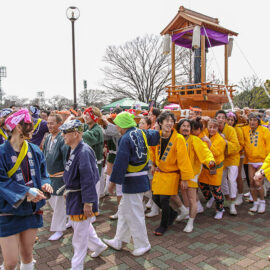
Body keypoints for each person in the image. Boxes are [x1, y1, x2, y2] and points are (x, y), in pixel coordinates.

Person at [0, 109, 53, 270]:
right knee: (10, 263)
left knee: (28, 256)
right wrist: (25, 191)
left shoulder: (35, 150)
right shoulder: (1, 152)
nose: (34, 129)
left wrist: (45, 184)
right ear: (18, 127)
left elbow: (43, 174)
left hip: (31, 210)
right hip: (8, 212)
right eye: (29, 125)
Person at [103, 112, 160, 256]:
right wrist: (161, 128)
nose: (115, 126)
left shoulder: (125, 138)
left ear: (122, 125)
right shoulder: (141, 132)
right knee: (124, 211)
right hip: (140, 178)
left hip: (132, 181)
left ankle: (143, 244)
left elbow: (120, 162)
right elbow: (156, 136)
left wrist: (112, 183)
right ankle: (119, 240)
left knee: (134, 213)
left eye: (117, 123)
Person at [61, 119, 107, 270]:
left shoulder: (84, 151)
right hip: (75, 196)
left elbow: (88, 179)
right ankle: (99, 246)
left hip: (81, 199)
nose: (63, 135)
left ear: (75, 134)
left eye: (65, 133)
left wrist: (88, 202)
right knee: (82, 228)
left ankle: (77, 266)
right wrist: (68, 189)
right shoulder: (74, 149)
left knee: (79, 238)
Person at [151, 111, 194, 236]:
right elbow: (152, 150)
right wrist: (154, 164)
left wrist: (185, 178)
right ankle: (173, 213)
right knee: (155, 198)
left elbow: (183, 160)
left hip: (171, 174)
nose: (169, 124)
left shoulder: (178, 138)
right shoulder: (157, 136)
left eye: (172, 121)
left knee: (164, 199)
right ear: (160, 123)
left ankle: (163, 225)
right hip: (160, 173)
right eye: (167, 121)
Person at [176, 119, 215, 232]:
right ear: (179, 128)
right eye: (183, 126)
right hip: (179, 172)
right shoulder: (176, 139)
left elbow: (205, 152)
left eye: (188, 126)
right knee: (182, 194)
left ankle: (191, 222)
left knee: (192, 197)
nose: (186, 128)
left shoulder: (194, 140)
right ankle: (186, 212)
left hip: (192, 173)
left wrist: (210, 162)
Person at [43, 113, 69, 241]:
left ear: (60, 124)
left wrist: (67, 179)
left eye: (52, 123)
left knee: (58, 203)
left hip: (60, 176)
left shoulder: (62, 138)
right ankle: (67, 219)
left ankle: (59, 229)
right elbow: (44, 156)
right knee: (52, 201)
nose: (49, 126)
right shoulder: (48, 138)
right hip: (49, 176)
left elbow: (66, 159)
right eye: (48, 123)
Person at [241, 113, 270, 213]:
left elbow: (268, 145)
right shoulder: (245, 130)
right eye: (250, 120)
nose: (252, 122)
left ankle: (262, 202)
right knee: (252, 182)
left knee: (258, 182)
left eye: (254, 120)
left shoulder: (265, 130)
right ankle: (255, 202)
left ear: (258, 121)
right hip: (250, 160)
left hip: (262, 160)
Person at [199, 118, 226, 220]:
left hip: (215, 167)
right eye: (210, 127)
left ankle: (220, 209)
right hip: (205, 166)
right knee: (202, 184)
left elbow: (216, 153)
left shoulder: (220, 139)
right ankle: (209, 198)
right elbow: (200, 131)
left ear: (218, 128)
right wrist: (203, 120)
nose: (212, 129)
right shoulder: (205, 132)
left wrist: (209, 143)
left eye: (214, 127)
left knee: (216, 189)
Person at [215, 110, 240, 215]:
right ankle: (227, 198)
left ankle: (233, 203)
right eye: (218, 117)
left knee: (231, 180)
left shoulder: (230, 130)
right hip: (221, 159)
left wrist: (225, 141)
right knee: (221, 181)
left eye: (222, 117)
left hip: (233, 158)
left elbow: (236, 146)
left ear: (225, 120)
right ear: (216, 118)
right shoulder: (213, 129)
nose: (220, 119)